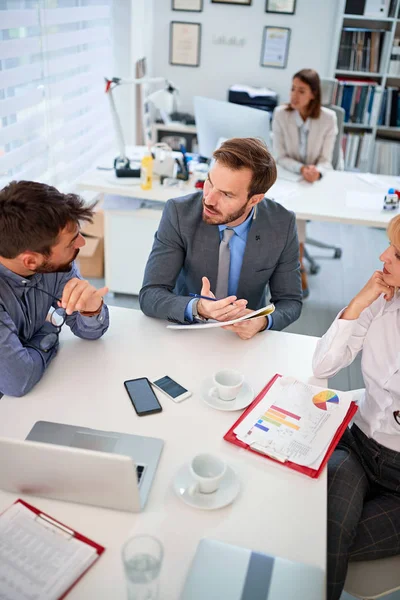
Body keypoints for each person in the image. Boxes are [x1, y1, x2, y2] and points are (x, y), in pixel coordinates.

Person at [312, 214, 400, 600]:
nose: (382, 256)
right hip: (359, 447)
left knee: (318, 536)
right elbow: (323, 366)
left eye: (396, 253)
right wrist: (360, 300)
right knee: (327, 535)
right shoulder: (382, 303)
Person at [140, 137, 302, 339]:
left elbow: (291, 301)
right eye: (209, 182)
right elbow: (150, 294)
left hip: (245, 337)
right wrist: (199, 307)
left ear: (255, 199)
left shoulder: (282, 224)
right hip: (189, 328)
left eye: (226, 194)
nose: (208, 199)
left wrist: (262, 321)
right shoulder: (179, 213)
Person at [0, 180, 110, 397]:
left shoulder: (55, 265)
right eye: (71, 242)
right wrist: (48, 332)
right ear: (31, 261)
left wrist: (91, 310)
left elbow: (90, 332)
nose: (81, 243)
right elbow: (17, 381)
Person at [272, 68, 338, 182]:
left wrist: (317, 172)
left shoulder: (329, 119)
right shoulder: (280, 114)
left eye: (301, 91)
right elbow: (280, 156)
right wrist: (302, 169)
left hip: (316, 180)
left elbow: (325, 160)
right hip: (289, 177)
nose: (294, 95)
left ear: (313, 94)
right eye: (293, 89)